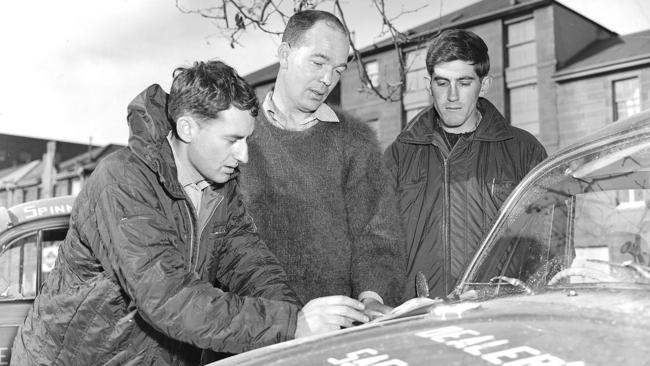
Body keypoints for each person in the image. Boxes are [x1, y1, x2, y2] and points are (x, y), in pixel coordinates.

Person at [11, 61, 369, 366]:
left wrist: (303, 326)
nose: (243, 156)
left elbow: (254, 268)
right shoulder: (122, 183)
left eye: (247, 140)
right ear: (187, 128)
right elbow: (168, 297)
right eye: (232, 140)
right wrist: (291, 324)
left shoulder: (220, 188)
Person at [238, 10, 406, 315]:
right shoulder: (236, 137)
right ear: (285, 54)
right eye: (318, 62)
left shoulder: (355, 140)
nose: (328, 79)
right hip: (251, 334)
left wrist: (372, 297)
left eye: (339, 69)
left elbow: (377, 235)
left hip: (334, 336)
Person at [385, 29, 548, 300]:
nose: (451, 96)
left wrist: (511, 296)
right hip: (416, 321)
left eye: (463, 82)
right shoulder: (399, 155)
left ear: (483, 85)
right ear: (429, 85)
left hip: (496, 319)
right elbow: (374, 243)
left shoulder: (524, 152)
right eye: (442, 82)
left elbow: (549, 243)